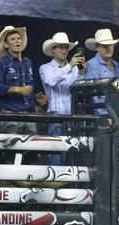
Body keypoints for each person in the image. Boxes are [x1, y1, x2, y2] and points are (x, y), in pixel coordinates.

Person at [39, 32, 85, 165]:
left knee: (73, 154)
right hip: (56, 116)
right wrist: (69, 66)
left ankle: (70, 183)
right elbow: (51, 81)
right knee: (55, 153)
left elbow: (79, 88)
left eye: (66, 47)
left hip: (73, 115)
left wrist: (82, 72)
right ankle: (55, 183)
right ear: (53, 49)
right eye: (60, 47)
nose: (64, 50)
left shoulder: (75, 68)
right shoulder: (45, 68)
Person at [0, 26, 36, 134]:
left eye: (19, 38)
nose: (17, 41)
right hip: (9, 114)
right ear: (6, 45)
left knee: (32, 148)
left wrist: (36, 97)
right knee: (11, 147)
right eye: (13, 39)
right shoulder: (1, 62)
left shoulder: (28, 62)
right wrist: (16, 89)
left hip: (29, 113)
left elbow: (28, 87)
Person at [81, 28, 119, 115]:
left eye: (110, 45)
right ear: (97, 48)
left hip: (115, 112)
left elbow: (118, 88)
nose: (108, 48)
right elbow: (91, 94)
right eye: (104, 46)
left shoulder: (117, 65)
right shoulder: (91, 65)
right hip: (100, 116)